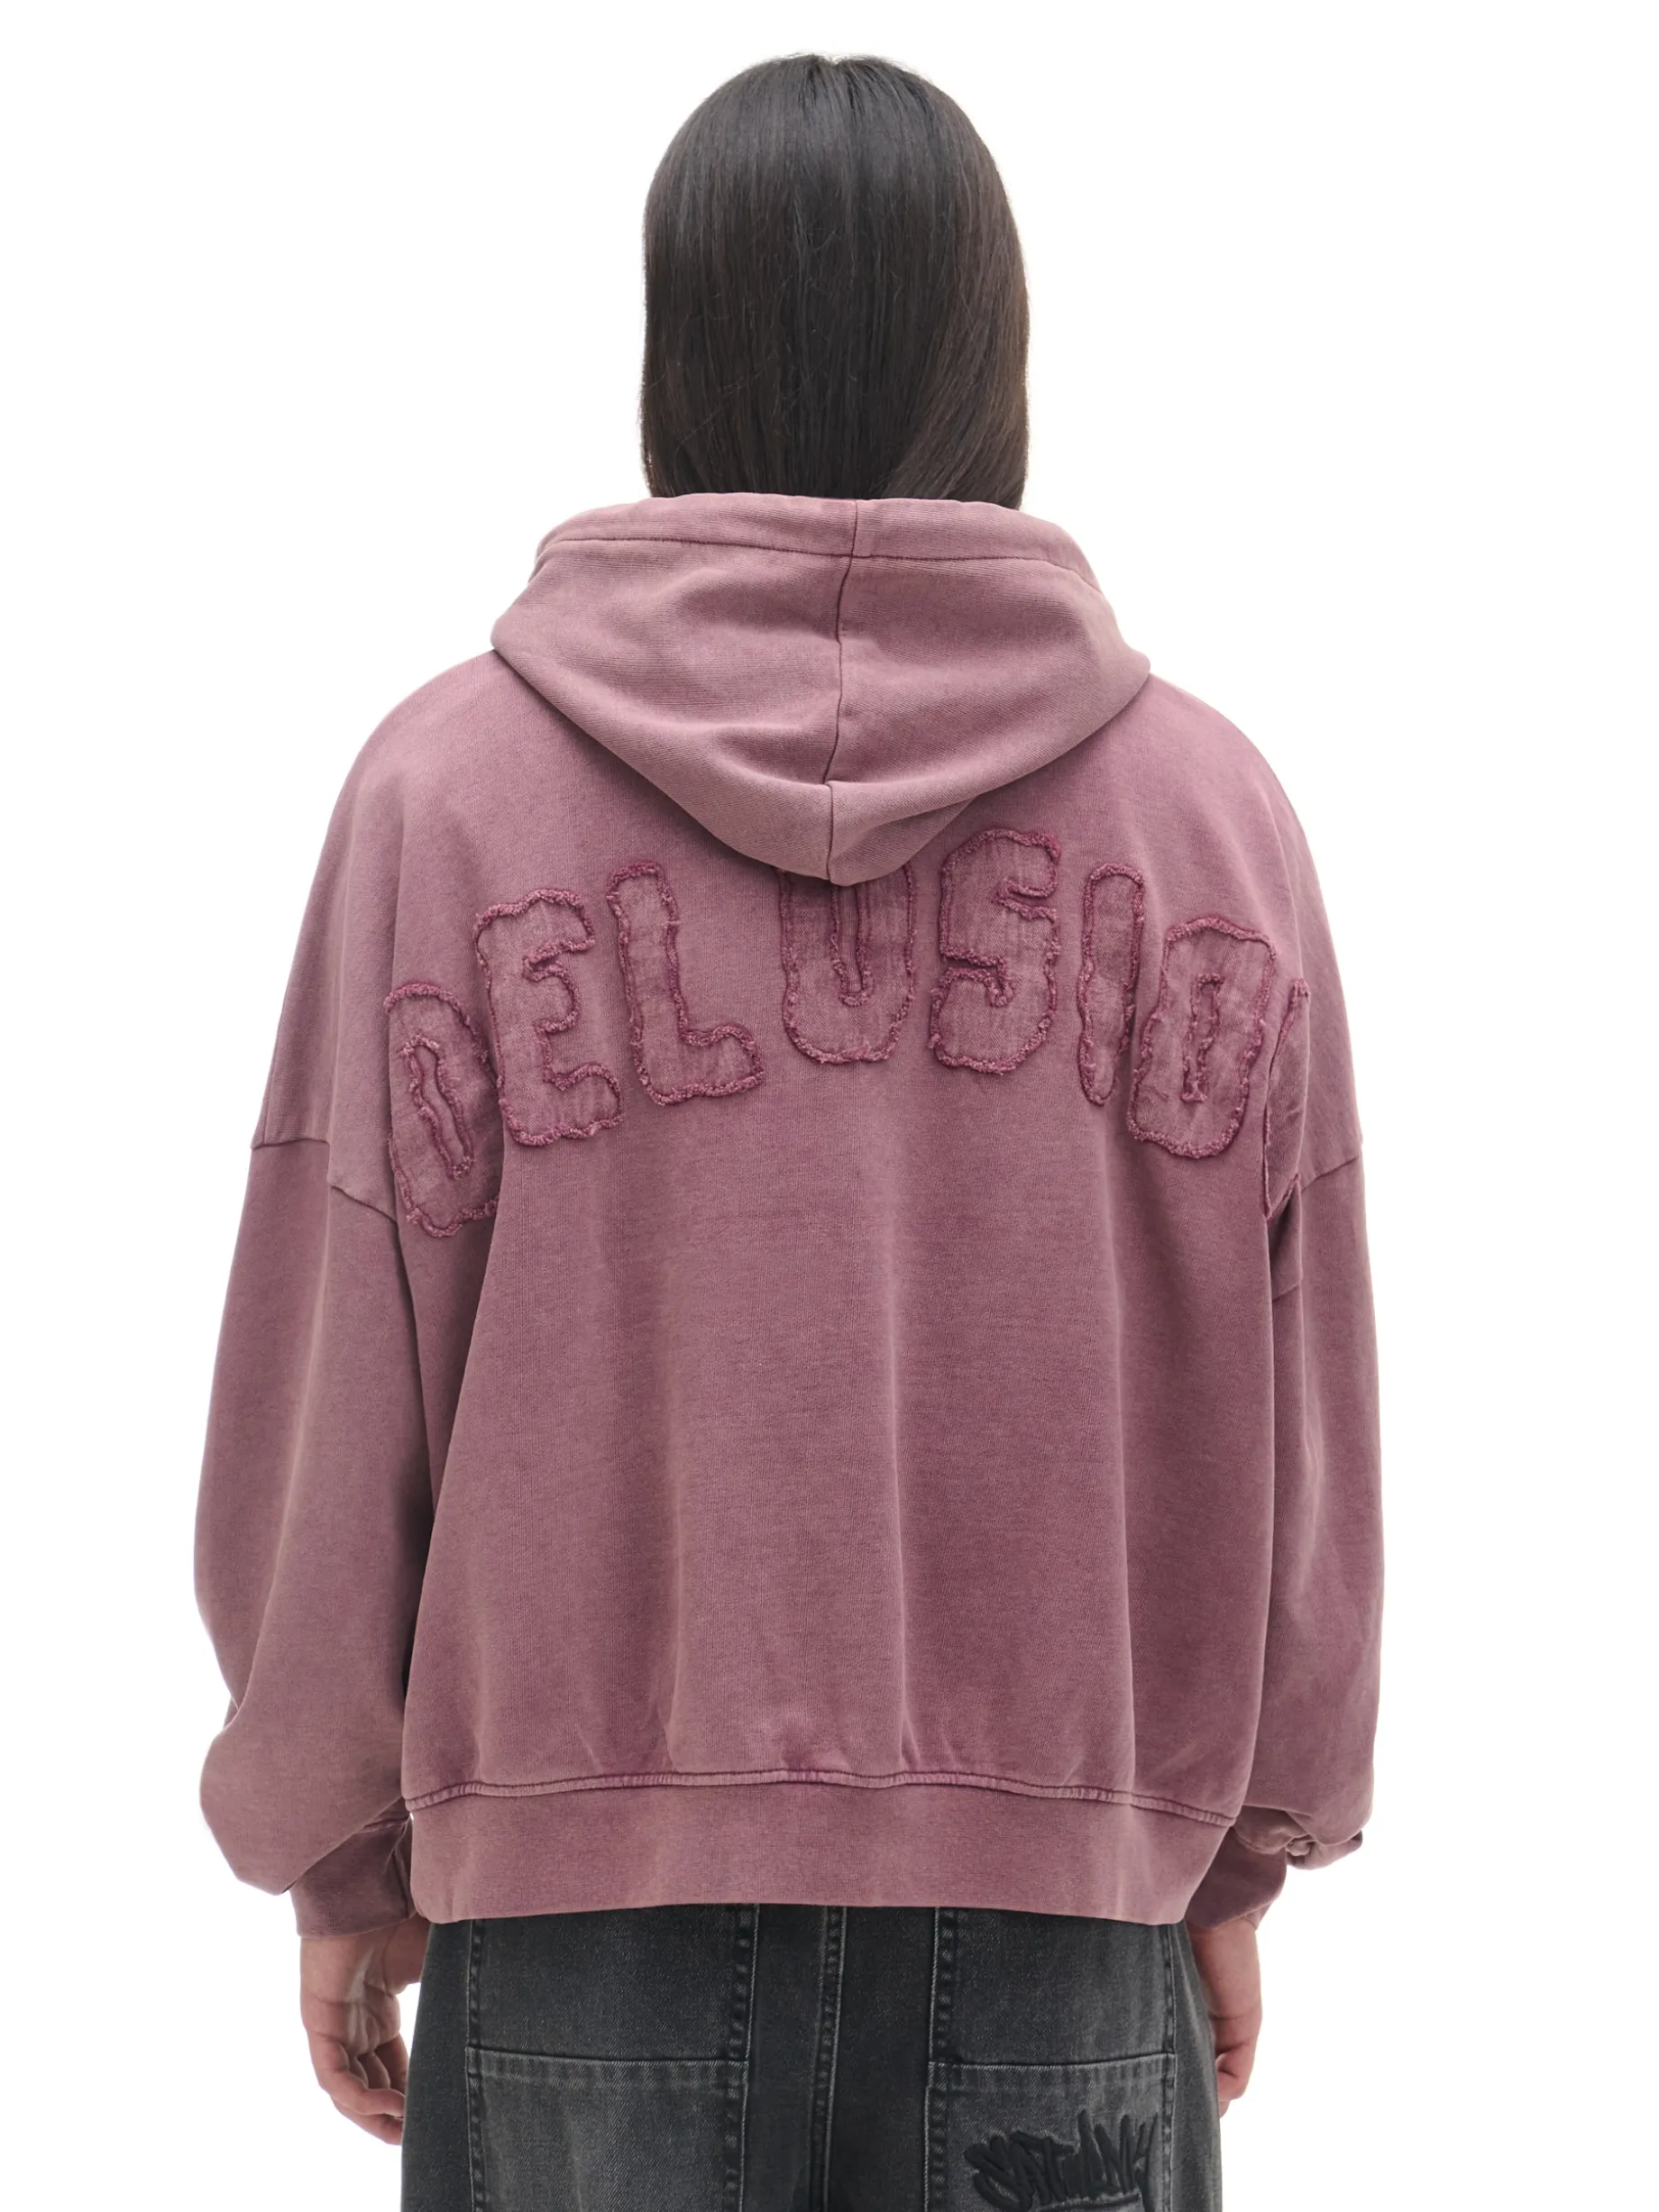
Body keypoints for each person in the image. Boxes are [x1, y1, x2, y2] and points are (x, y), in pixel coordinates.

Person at [195, 52, 1381, 2211]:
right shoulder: (1207, 815)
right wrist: (1236, 1851)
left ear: (679, 352)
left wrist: (337, 1853)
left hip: (578, 1922)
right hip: (1059, 1922)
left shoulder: (444, 796)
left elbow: (330, 1358)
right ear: (990, 353)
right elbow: (1300, 1412)